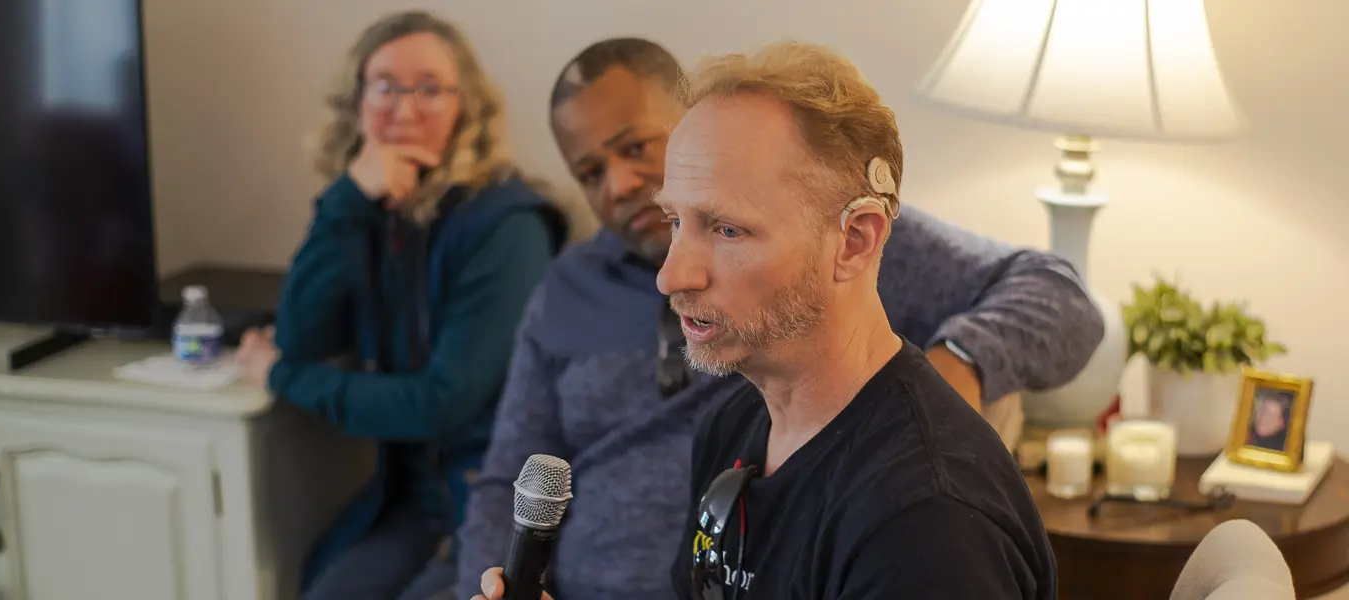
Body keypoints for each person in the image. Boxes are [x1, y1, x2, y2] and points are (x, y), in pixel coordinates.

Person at [456, 38, 1098, 599]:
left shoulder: (928, 524)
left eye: (727, 229)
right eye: (677, 221)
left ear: (855, 241)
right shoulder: (731, 428)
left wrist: (962, 363)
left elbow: (1056, 297)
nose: (671, 276)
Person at [234, 11, 566, 600]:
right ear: (357, 102)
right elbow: (302, 334)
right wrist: (346, 201)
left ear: (465, 105)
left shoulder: (507, 226)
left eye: (430, 89)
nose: (404, 109)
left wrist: (283, 375)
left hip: (487, 500)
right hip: (411, 500)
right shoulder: (373, 212)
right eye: (385, 86)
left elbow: (442, 403)